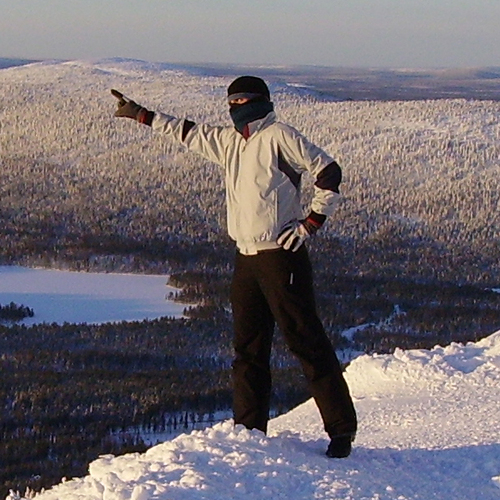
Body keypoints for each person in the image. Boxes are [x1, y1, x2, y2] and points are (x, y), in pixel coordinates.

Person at [113, 76, 357, 458]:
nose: (237, 106)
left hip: (281, 255)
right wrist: (141, 114)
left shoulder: (279, 135)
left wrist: (312, 222)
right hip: (245, 257)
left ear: (261, 100)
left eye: (244, 99)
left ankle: (341, 431)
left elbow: (328, 172)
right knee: (248, 349)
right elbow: (187, 132)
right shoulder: (229, 143)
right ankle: (248, 432)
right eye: (232, 100)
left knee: (305, 341)